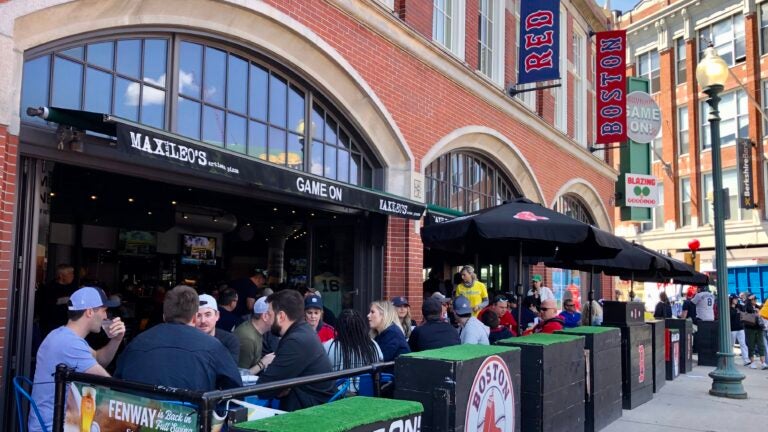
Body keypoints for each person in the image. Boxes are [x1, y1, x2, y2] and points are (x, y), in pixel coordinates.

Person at [29, 287, 123, 432]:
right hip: (52, 426)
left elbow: (99, 359)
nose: (106, 317)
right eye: (104, 310)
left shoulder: (61, 334)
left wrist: (116, 340)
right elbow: (107, 384)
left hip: (51, 422)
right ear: (90, 312)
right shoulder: (70, 344)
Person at [115, 285, 242, 391]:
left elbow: (117, 384)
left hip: (139, 417)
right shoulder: (213, 346)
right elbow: (234, 390)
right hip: (193, 417)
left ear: (164, 316)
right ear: (194, 318)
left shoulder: (137, 342)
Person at [257, 290, 335, 411]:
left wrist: (285, 387)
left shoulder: (296, 341)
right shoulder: (302, 332)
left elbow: (263, 388)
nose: (266, 319)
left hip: (312, 413)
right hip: (313, 406)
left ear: (281, 316)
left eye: (269, 314)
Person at [324, 309, 383, 393]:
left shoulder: (328, 346)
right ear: (361, 326)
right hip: (367, 396)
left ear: (339, 327)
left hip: (338, 397)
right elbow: (380, 364)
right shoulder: (373, 345)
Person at [234, 297, 276, 374]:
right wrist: (262, 363)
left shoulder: (254, 328)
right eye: (277, 314)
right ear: (265, 316)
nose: (279, 318)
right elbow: (240, 376)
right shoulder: (248, 339)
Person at [197, 294, 240, 363]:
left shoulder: (229, 341)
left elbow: (230, 371)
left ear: (217, 316)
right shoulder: (187, 340)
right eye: (198, 315)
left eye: (208, 315)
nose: (203, 320)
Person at [38, 263, 78, 334]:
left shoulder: (73, 288)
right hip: (53, 327)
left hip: (69, 326)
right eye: (69, 273)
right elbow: (46, 310)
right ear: (61, 275)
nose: (72, 276)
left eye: (72, 273)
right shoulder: (50, 289)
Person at [743, 294, 767, 369]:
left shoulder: (758, 307)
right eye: (754, 299)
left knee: (761, 345)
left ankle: (763, 363)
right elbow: (746, 315)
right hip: (750, 328)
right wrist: (755, 313)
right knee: (751, 345)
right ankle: (752, 363)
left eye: (755, 299)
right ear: (750, 300)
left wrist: (758, 312)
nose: (755, 301)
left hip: (759, 328)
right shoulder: (746, 307)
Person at [729, 295, 750, 366]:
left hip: (740, 328)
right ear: (731, 299)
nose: (736, 300)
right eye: (735, 299)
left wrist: (744, 300)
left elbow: (745, 308)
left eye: (737, 299)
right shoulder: (729, 308)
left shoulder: (739, 306)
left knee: (743, 344)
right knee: (731, 345)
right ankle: (730, 360)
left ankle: (746, 360)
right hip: (732, 329)